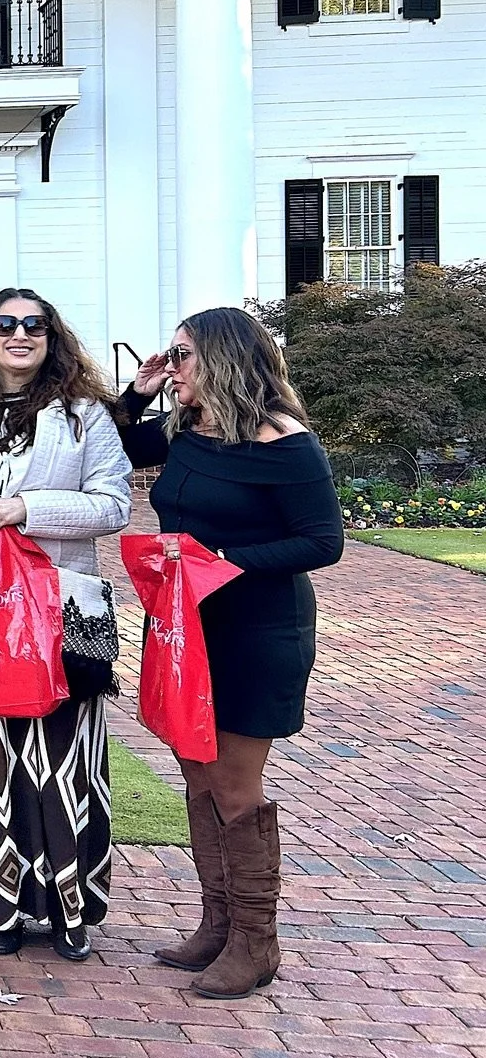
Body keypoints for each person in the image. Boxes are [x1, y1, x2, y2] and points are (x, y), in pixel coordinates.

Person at [117, 306, 343, 999]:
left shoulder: (286, 444)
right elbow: (123, 447)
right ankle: (216, 925)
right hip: (185, 627)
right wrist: (138, 394)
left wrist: (224, 559)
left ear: (221, 359)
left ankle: (255, 942)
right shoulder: (185, 432)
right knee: (195, 776)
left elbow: (322, 541)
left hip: (256, 632)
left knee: (234, 785)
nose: (172, 364)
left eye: (182, 354)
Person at [0, 289, 132, 961]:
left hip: (64, 611)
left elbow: (113, 503)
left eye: (33, 325)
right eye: (4, 324)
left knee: (65, 764)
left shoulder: (84, 417)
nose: (19, 334)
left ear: (51, 336)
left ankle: (70, 910)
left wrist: (26, 507)